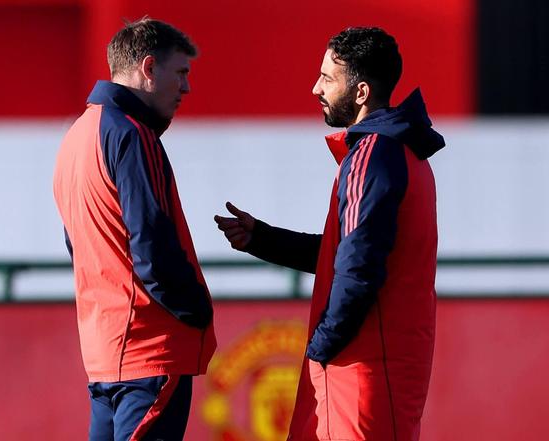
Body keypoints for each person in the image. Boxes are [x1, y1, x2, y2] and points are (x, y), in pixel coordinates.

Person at [215, 27, 445, 440]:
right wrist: (263, 238)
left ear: (360, 92)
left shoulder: (373, 155)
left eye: (327, 78)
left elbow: (358, 267)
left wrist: (322, 346)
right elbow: (351, 253)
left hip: (360, 370)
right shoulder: (400, 152)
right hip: (377, 368)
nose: (315, 88)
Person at [53, 18, 216, 441]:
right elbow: (152, 242)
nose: (186, 87)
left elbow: (77, 244)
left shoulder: (77, 136)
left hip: (105, 352)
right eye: (181, 73)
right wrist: (196, 309)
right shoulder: (131, 134)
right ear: (148, 68)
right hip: (148, 348)